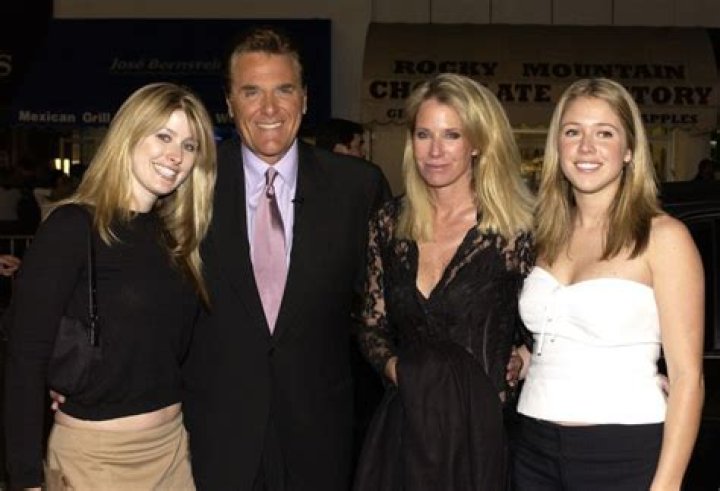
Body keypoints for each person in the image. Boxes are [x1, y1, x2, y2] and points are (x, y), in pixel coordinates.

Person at [180, 26, 390, 490]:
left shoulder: (358, 188)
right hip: (216, 432)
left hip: (320, 432)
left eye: (284, 90)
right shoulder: (189, 184)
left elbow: (388, 306)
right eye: (251, 92)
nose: (270, 108)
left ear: (305, 99)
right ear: (230, 102)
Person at [4, 82, 217, 490]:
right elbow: (25, 358)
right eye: (164, 136)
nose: (176, 155)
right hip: (94, 460)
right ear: (129, 135)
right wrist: (25, 477)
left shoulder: (179, 239)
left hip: (173, 452)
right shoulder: (72, 228)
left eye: (190, 146)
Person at [512, 78, 704, 490]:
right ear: (557, 146)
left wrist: (667, 485)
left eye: (604, 133)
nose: (586, 147)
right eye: (572, 132)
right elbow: (555, 334)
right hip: (532, 445)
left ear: (629, 150)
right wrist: (519, 359)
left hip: (625, 450)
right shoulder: (543, 235)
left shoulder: (664, 238)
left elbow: (688, 378)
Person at [352, 73, 535, 490]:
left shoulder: (516, 230)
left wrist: (522, 359)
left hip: (484, 435)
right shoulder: (389, 222)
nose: (435, 151)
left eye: (452, 135)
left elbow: (551, 326)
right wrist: (399, 371)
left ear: (478, 143)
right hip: (406, 429)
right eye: (424, 134)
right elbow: (371, 324)